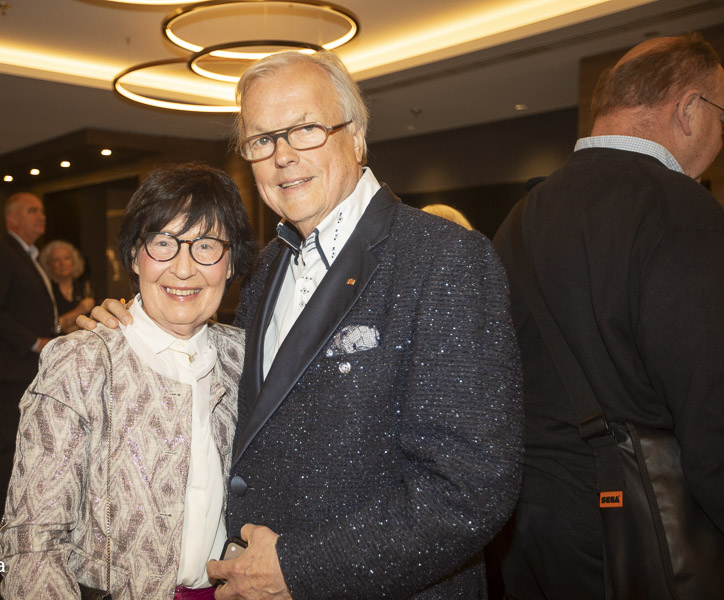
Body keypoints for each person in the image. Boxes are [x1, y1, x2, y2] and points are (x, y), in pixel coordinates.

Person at [84, 50, 523, 599]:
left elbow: (470, 487)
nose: (283, 156)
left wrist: (298, 568)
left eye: (306, 129)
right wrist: (132, 327)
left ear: (356, 137)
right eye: (262, 140)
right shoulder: (267, 266)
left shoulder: (445, 259)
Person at [492, 34, 724, 599]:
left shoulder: (520, 218)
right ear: (689, 110)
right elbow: (712, 411)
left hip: (523, 526)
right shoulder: (682, 211)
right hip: (635, 534)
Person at [0, 163, 258, 599]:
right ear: (136, 255)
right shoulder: (83, 363)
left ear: (230, 263)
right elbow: (32, 544)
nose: (184, 269)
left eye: (207, 246)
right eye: (163, 243)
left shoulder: (247, 358)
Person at [0, 191, 58, 544]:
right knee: (9, 448)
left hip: (28, 368)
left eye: (42, 210)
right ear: (12, 219)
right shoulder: (1, 252)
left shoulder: (30, 256)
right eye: (32, 211)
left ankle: (22, 519)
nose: (41, 216)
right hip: (12, 369)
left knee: (27, 447)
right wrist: (34, 342)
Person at [39, 239, 96, 333]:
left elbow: (95, 321)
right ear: (48, 265)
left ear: (74, 261)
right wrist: (78, 311)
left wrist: (69, 325)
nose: (62, 263)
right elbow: (56, 329)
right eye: (56, 260)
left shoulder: (84, 287)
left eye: (66, 258)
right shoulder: (46, 291)